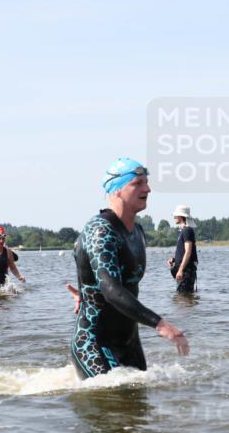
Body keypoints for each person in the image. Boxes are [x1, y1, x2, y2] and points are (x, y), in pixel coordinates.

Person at [65, 157, 190, 378]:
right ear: (117, 190)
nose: (147, 189)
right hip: (94, 343)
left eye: (147, 182)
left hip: (129, 341)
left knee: (140, 398)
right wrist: (160, 324)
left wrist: (84, 291)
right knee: (107, 397)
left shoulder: (137, 232)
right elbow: (111, 290)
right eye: (138, 183)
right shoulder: (100, 230)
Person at [167, 204, 199, 293]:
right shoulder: (184, 231)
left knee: (183, 298)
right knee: (182, 298)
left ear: (180, 216)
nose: (174, 217)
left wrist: (180, 270)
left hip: (186, 272)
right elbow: (185, 252)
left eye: (176, 215)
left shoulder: (187, 231)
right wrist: (174, 259)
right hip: (184, 272)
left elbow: (188, 252)